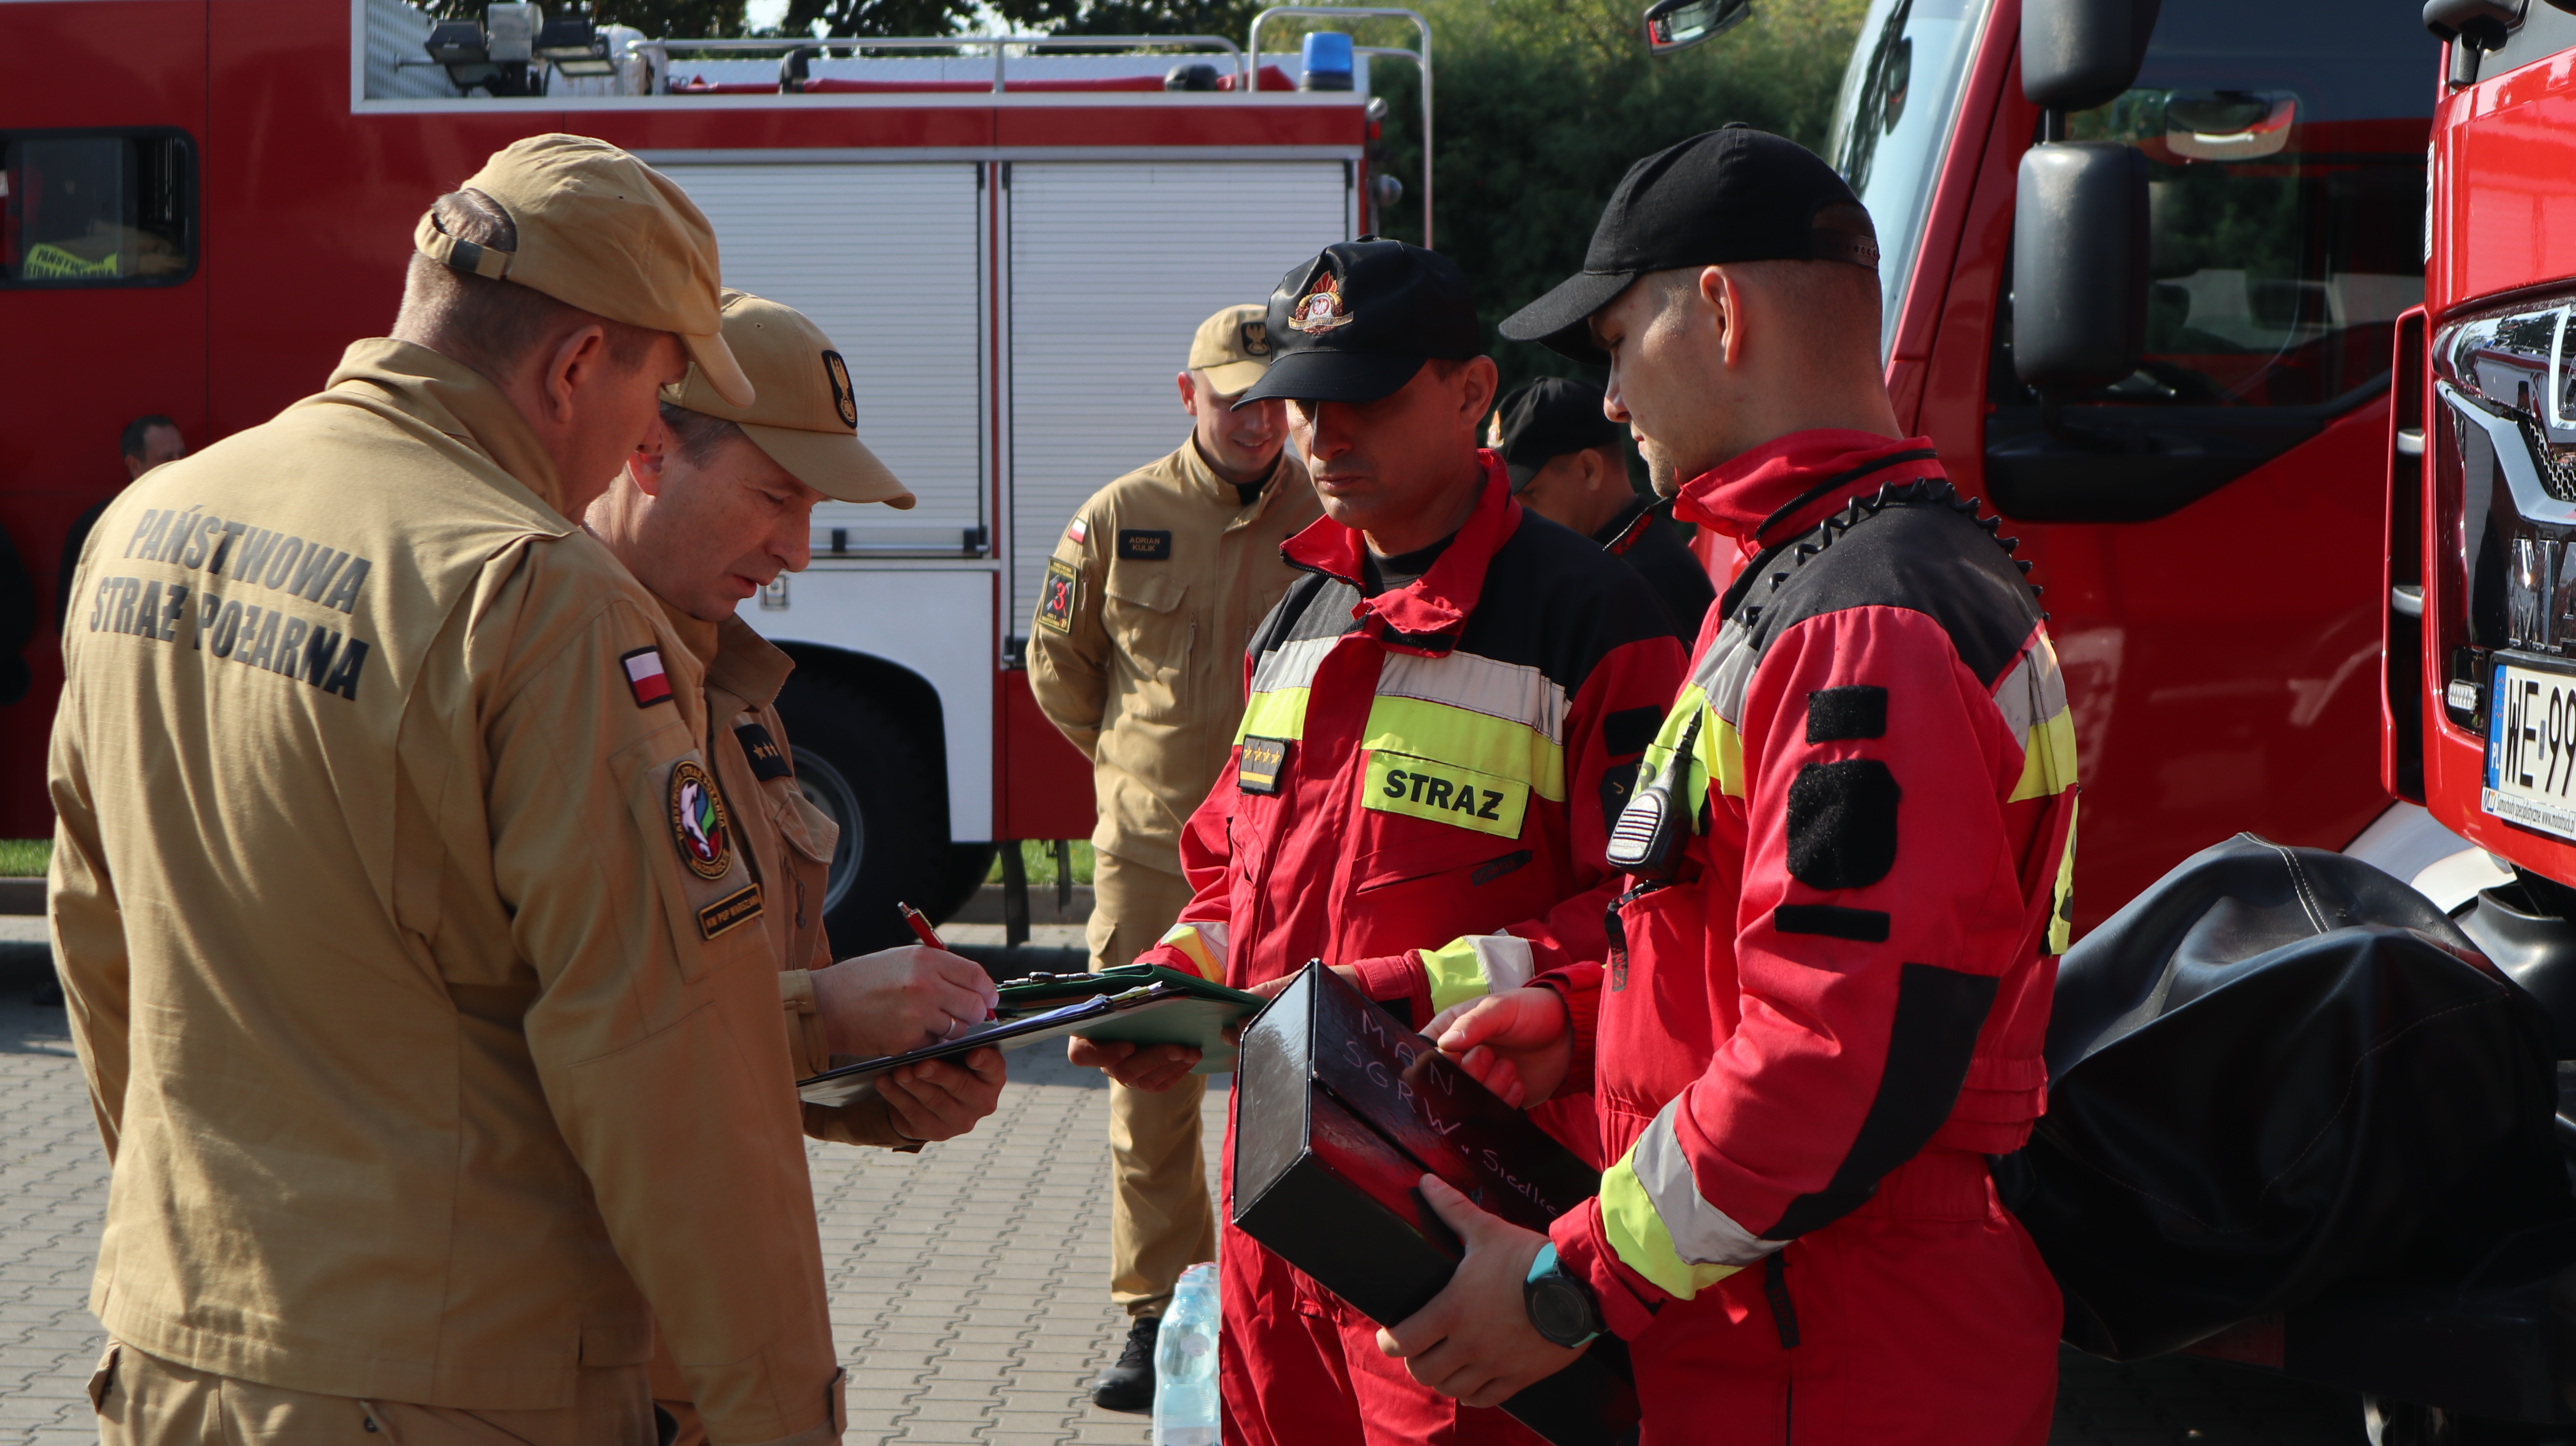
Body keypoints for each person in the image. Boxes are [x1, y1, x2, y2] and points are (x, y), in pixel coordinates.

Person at [51, 135, 853, 1445]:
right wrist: (780, 1414)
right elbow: (665, 1063)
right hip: (453, 1381)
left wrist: (193, 1253)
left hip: (176, 1355)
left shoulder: (148, 523)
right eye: (656, 389)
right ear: (576, 365)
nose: (645, 436)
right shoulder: (535, 593)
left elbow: (100, 946)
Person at [1382, 127, 2081, 1446]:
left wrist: (1565, 1286)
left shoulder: (1852, 618)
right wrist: (1580, 1023)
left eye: (1614, 344)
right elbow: (1774, 963)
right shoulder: (1833, 576)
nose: (1606, 401)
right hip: (1809, 1315)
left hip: (1827, 1350)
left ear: (1718, 310)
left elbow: (1835, 1054)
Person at [1069, 238, 1687, 1446]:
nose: (1323, 432)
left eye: (1365, 397)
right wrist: (1176, 986)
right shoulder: (1299, 615)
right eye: (1304, 400)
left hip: (1459, 1229)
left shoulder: (1593, 619)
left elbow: (1651, 926)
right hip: (1277, 1217)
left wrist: (1400, 993)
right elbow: (1232, 874)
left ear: (1472, 393)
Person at [584, 287, 1011, 1445]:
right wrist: (826, 1017)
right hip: (582, 1357)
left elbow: (766, 1035)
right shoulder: (546, 681)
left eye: (812, 508)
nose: (796, 553)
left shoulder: (743, 702)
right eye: (776, 497)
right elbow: (555, 1036)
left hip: (722, 1351)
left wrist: (889, 1087)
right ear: (649, 451)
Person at [1025, 302, 1324, 1410]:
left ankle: (1292, 1302)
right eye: (1234, 399)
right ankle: (1159, 1311)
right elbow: (1062, 671)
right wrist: (1132, 769)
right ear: (1187, 394)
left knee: (1300, 1073)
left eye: (1273, 401)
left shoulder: (1329, 512)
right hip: (1153, 855)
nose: (1257, 421)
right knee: (1146, 1089)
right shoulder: (1119, 516)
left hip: (1294, 853)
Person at [1490, 377, 1714, 641]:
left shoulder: (1642, 579)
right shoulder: (1624, 561)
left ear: (1589, 470)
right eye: (1509, 499)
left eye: (1531, 493)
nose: (1517, 512)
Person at [58, 416, 185, 631]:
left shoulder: (201, 520)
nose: (180, 465)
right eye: (167, 459)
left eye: (182, 454)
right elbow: (69, 620)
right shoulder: (96, 526)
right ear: (134, 465)